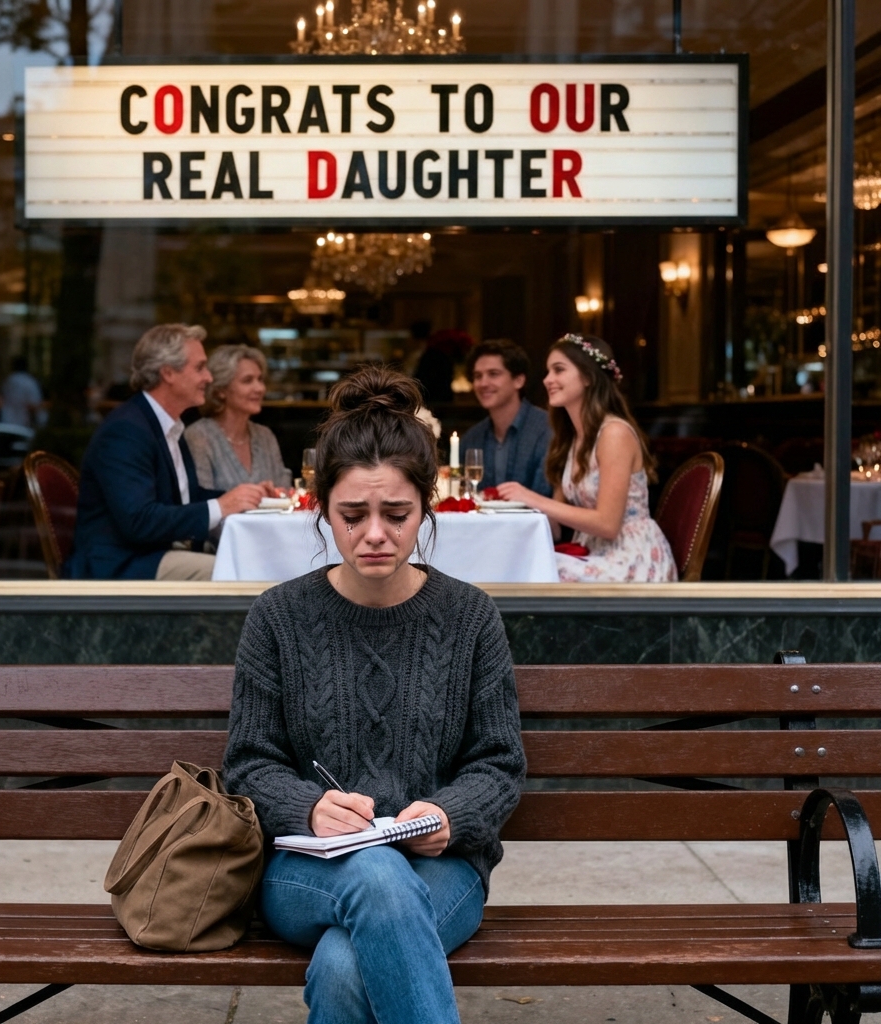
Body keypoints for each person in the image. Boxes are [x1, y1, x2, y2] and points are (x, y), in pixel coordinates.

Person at [222, 365, 526, 1024]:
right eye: (352, 515)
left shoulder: (469, 616)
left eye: (396, 514)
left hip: (442, 868)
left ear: (428, 503)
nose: (375, 535)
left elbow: (500, 762)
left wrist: (449, 814)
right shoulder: (280, 617)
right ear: (320, 506)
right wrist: (308, 806)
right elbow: (247, 763)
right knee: (375, 877)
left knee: (341, 967)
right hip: (307, 872)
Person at [67, 324, 276, 581]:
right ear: (168, 373)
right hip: (122, 565)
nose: (208, 378)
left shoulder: (168, 425)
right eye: (200, 367)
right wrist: (222, 506)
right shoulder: (126, 431)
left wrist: (247, 498)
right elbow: (139, 521)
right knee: (238, 573)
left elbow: (186, 499)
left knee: (251, 562)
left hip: (155, 553)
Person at [496, 334, 677, 583]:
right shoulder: (571, 440)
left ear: (589, 377)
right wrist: (501, 518)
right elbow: (556, 526)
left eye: (559, 370)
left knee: (532, 574)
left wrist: (530, 497)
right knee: (514, 564)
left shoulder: (614, 433)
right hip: (591, 552)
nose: (548, 380)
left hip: (630, 558)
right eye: (548, 371)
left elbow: (607, 524)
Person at [185, 344, 292, 493]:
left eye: (260, 379)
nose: (259, 388)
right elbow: (199, 501)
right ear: (221, 390)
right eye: (247, 380)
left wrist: (277, 494)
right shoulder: (199, 437)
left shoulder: (265, 436)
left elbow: (285, 493)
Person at [461, 339, 553, 498]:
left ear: (519, 380)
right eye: (477, 376)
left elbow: (546, 497)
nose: (483, 383)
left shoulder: (547, 430)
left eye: (493, 374)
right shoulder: (472, 438)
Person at [0, 356, 45, 430]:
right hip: (24, 424)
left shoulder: (8, 381)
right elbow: (34, 404)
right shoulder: (29, 382)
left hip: (7, 421)